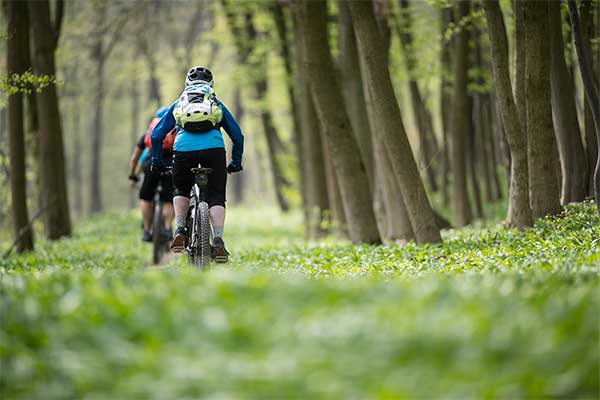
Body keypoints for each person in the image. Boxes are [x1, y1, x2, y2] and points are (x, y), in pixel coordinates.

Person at [150, 66, 244, 262]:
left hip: (183, 151)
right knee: (216, 196)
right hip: (214, 151)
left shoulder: (178, 104)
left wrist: (157, 162)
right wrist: (235, 162)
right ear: (211, 84)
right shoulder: (215, 103)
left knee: (181, 189)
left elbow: (157, 135)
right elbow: (237, 135)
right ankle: (218, 241)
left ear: (187, 84)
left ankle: (180, 229)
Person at [128, 107, 176, 242]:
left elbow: (134, 159)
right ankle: (167, 229)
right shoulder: (174, 131)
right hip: (170, 164)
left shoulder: (148, 134)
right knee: (168, 199)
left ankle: (147, 230)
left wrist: (133, 174)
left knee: (146, 197)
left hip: (151, 164)